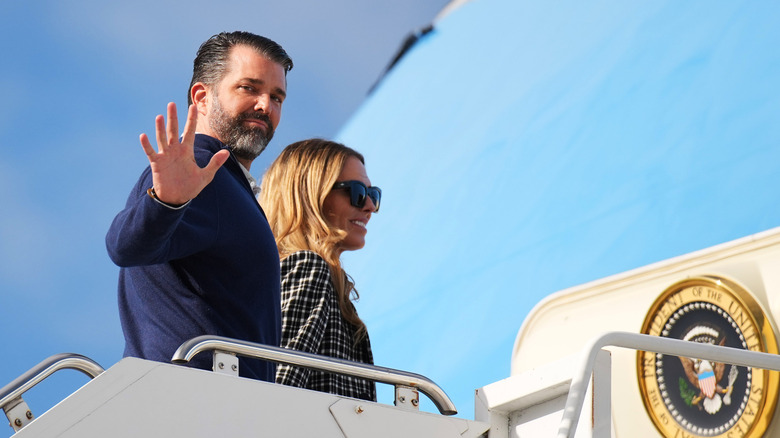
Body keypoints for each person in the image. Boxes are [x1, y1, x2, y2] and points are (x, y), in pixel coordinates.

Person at [105, 31, 293, 382]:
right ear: (202, 98)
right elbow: (125, 246)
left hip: (222, 400)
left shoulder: (228, 185)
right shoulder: (200, 170)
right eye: (249, 88)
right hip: (196, 399)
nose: (265, 106)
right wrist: (166, 202)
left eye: (276, 97)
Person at [259, 139, 381, 401]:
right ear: (311, 196)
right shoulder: (307, 269)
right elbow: (277, 392)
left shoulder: (297, 273)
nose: (370, 206)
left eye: (374, 194)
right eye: (358, 192)